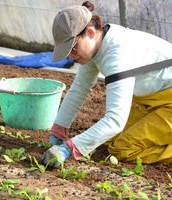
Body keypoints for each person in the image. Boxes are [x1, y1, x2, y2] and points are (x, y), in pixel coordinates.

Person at [40, 5, 172, 167]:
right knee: (109, 139)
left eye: (73, 48)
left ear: (90, 32)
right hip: (156, 100)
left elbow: (116, 120)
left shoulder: (118, 55)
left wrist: (69, 149)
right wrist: (59, 128)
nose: (71, 57)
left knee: (123, 148)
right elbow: (79, 88)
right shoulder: (98, 45)